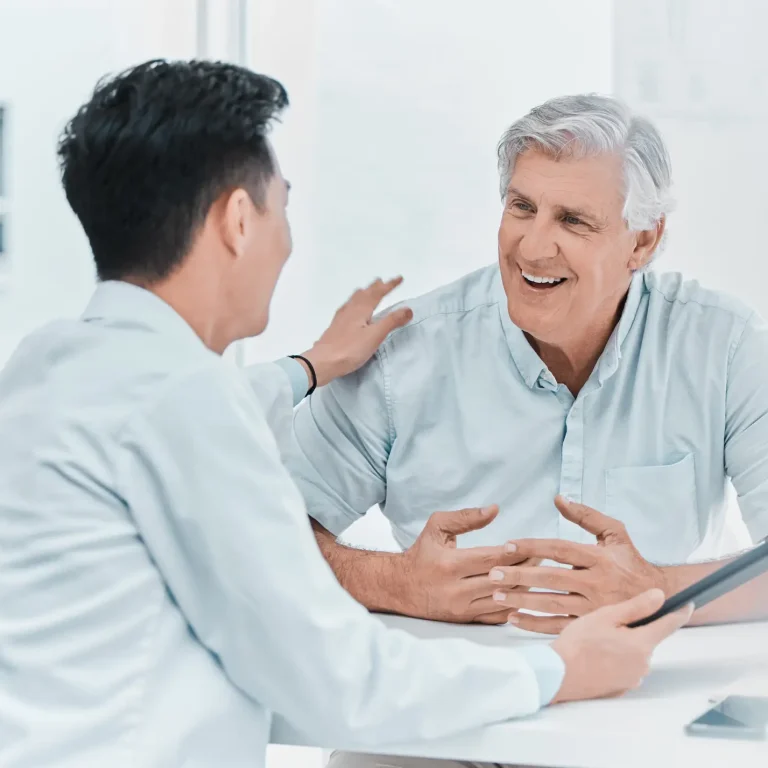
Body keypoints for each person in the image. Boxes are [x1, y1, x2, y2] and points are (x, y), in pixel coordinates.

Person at [0, 61, 690, 768]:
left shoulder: (46, 363)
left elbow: (163, 412)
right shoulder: (184, 404)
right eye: (282, 203)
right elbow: (339, 678)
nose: (288, 240)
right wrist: (563, 669)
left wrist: (308, 367)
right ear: (238, 220)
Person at [289, 93, 768, 634]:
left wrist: (653, 591)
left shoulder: (724, 347)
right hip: (457, 701)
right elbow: (260, 533)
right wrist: (395, 582)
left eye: (573, 220)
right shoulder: (403, 354)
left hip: (658, 702)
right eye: (522, 207)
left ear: (643, 240)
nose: (534, 247)